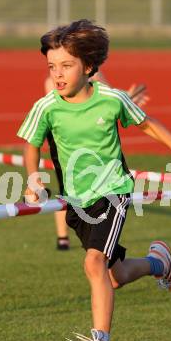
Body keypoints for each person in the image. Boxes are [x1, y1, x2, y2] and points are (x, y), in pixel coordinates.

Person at [17, 19, 171, 341]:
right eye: (51, 67)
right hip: (76, 202)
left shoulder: (112, 100)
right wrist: (33, 178)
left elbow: (148, 123)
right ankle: (160, 264)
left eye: (66, 65)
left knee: (94, 264)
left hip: (112, 192)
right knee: (113, 276)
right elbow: (30, 146)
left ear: (88, 67)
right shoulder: (46, 106)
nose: (57, 74)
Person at [44, 75, 149, 251]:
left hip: (97, 159)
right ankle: (64, 238)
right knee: (68, 192)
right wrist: (125, 98)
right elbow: (73, 107)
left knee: (97, 260)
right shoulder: (56, 81)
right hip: (66, 148)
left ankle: (80, 241)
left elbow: (105, 103)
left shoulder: (94, 75)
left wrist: (125, 99)